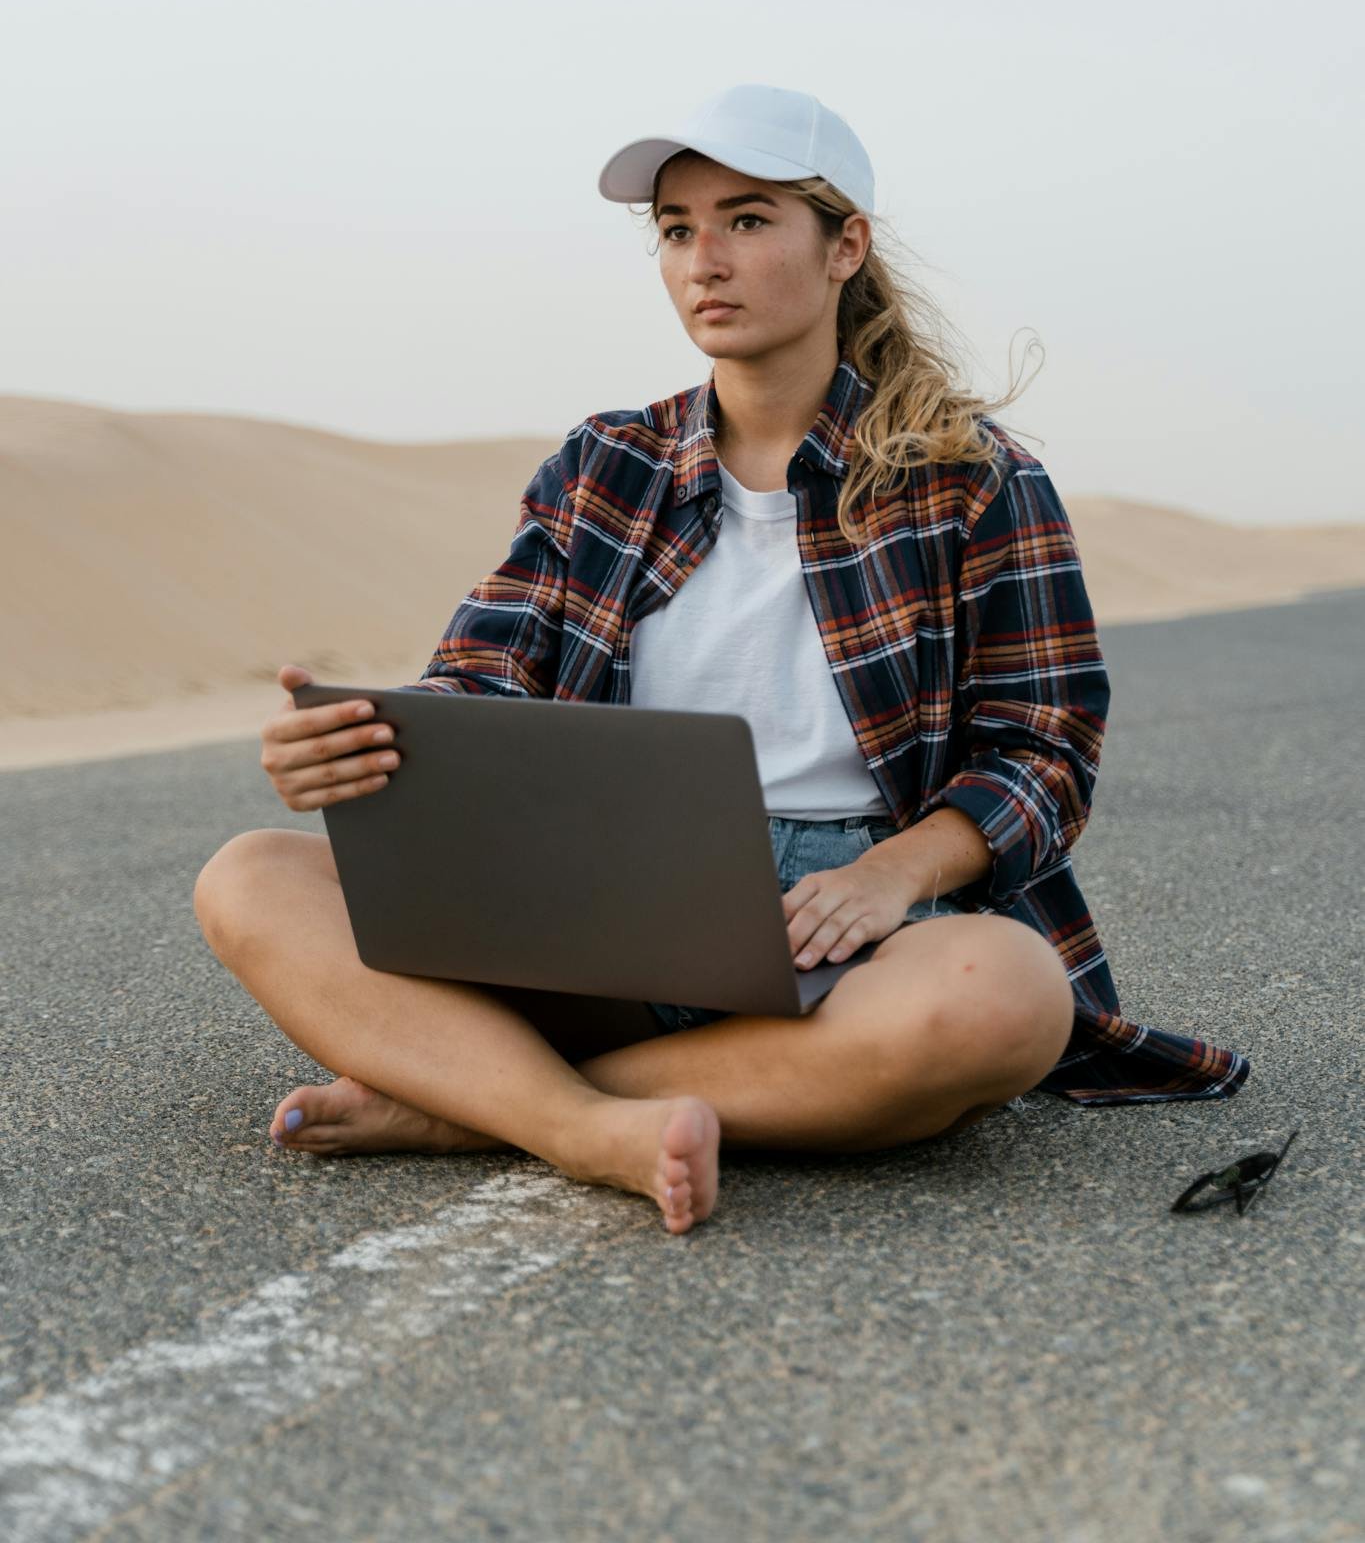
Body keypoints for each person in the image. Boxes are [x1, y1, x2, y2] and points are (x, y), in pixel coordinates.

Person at [193, 83, 1250, 1238]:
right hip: (599, 895)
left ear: (844, 244)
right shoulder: (608, 461)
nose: (707, 259)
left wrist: (891, 874)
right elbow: (486, 674)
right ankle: (580, 1123)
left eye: (748, 220)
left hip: (840, 922)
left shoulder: (972, 476)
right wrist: (367, 742)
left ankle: (482, 1102)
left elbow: (1043, 750)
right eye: (678, 228)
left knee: (1005, 999)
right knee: (250, 876)